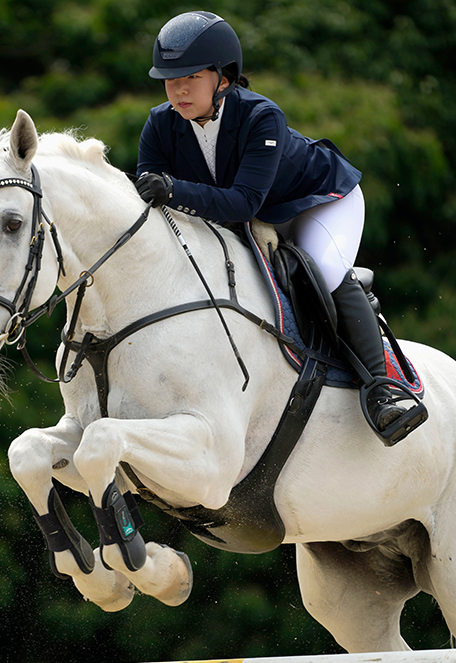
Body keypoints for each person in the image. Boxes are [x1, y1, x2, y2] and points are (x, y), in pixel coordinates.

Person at [134, 10, 411, 435]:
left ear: (223, 78)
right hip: (251, 214)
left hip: (317, 202)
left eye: (191, 77)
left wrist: (172, 189)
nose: (179, 89)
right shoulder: (160, 124)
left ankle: (383, 389)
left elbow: (242, 202)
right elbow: (153, 200)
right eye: (170, 80)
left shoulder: (262, 116)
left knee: (323, 270)